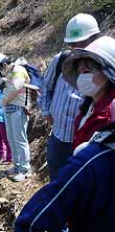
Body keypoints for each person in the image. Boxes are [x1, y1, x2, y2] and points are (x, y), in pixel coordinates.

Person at [14, 35, 115, 232]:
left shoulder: (108, 115)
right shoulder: (89, 106)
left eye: (89, 70)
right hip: (73, 159)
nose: (83, 75)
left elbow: (81, 174)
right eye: (80, 70)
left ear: (109, 72)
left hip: (93, 189)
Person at [41, 13, 101, 181]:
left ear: (94, 39)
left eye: (83, 42)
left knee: (80, 185)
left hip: (84, 142)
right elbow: (46, 86)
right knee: (56, 179)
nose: (77, 47)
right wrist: (46, 112)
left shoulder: (103, 66)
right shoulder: (60, 60)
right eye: (73, 44)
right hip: (57, 137)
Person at [0, 52, 31, 182]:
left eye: (1, 68)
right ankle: (17, 165)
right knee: (12, 139)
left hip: (19, 109)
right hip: (9, 109)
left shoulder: (18, 70)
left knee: (20, 139)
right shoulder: (9, 73)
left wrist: (3, 100)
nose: (1, 71)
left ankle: (25, 170)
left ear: (4, 64)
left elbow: (14, 88)